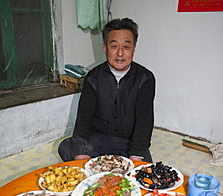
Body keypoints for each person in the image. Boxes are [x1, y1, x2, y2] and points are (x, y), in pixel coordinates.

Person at [58, 18, 155, 162]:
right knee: (66, 147)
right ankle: (99, 175)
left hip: (129, 142)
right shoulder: (93, 78)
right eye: (114, 46)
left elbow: (144, 121)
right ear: (105, 47)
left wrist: (136, 155)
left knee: (144, 169)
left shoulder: (145, 78)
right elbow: (84, 119)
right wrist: (81, 154)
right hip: (99, 141)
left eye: (126, 47)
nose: (120, 53)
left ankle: (109, 169)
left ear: (134, 48)